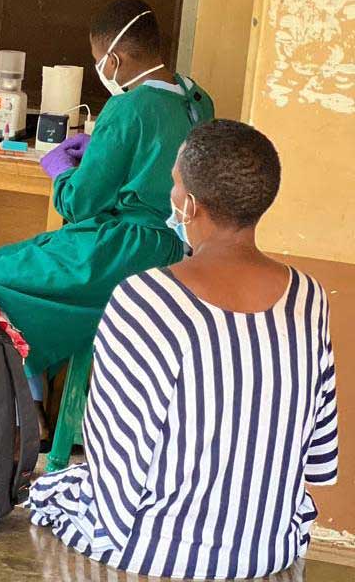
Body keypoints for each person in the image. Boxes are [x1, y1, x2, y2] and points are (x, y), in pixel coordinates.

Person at [29, 120, 338, 579]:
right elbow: (320, 458)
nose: (172, 200)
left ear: (190, 205)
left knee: (46, 492)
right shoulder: (308, 297)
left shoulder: (145, 298)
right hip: (267, 549)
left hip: (151, 549)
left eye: (174, 186)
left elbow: (115, 470)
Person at [0, 0, 215, 431]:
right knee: (5, 262)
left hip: (125, 252)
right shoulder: (195, 99)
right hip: (175, 248)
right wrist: (101, 156)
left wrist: (62, 171)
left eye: (97, 62)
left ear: (113, 58)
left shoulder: (128, 108)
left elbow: (81, 204)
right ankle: (26, 403)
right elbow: (153, 164)